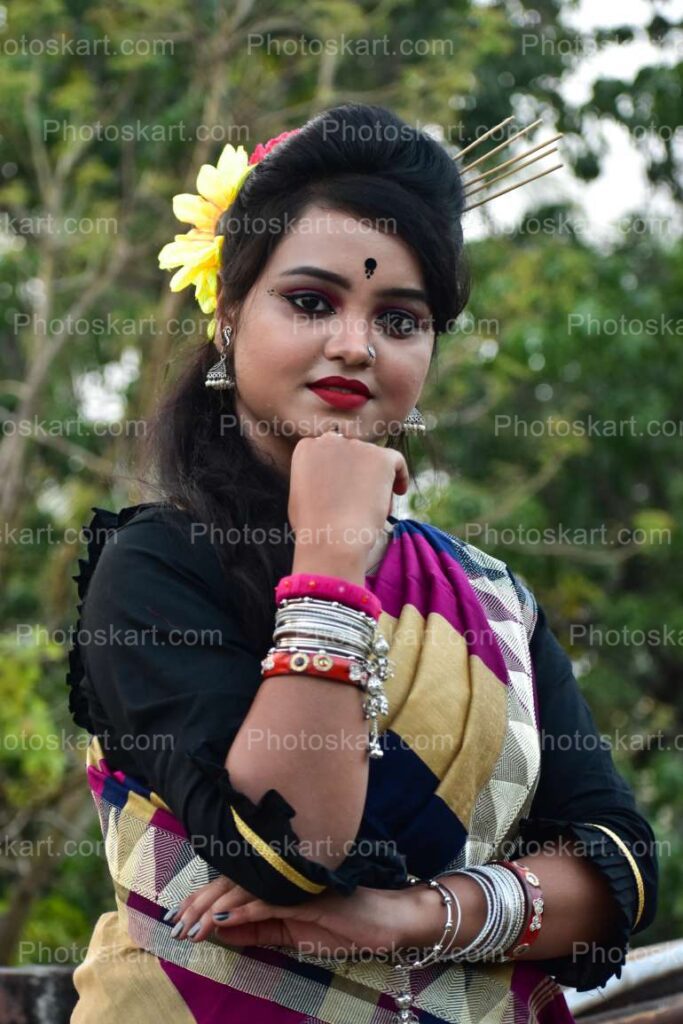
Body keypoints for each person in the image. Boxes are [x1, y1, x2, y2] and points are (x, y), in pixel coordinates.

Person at [66, 104, 657, 1024]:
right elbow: (287, 850)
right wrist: (332, 557)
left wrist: (414, 916)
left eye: (399, 318)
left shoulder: (493, 601)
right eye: (310, 302)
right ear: (228, 314)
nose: (355, 344)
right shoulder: (155, 566)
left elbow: (616, 868)